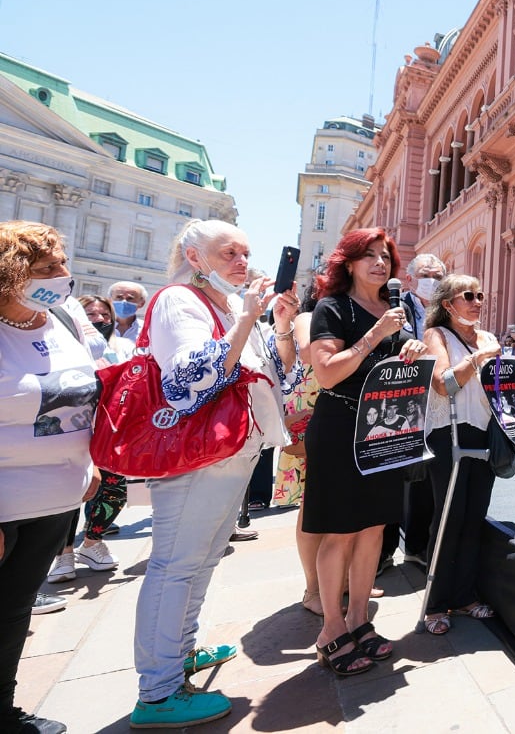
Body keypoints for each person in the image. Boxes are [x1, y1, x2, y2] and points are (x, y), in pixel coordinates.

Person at [128, 219, 299, 729]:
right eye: (229, 253)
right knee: (176, 564)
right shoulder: (179, 300)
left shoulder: (227, 305)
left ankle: (178, 654)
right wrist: (246, 318)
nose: (242, 263)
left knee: (199, 561)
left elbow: (277, 373)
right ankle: (157, 693)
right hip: (197, 455)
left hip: (232, 451)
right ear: (194, 256)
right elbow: (187, 378)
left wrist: (279, 322)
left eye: (246, 254)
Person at [304, 228, 431, 676]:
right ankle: (331, 627)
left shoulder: (397, 312)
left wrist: (410, 351)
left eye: (385, 257)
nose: (380, 263)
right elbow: (327, 374)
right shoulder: (332, 308)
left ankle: (360, 619)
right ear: (349, 263)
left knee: (374, 528)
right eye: (369, 256)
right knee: (340, 530)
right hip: (340, 425)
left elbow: (391, 370)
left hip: (385, 429)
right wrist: (377, 334)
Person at [0, 221, 101, 734]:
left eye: (60, 264)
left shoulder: (62, 318)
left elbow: (83, 399)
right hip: (4, 503)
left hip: (56, 500)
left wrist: (89, 462)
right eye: (46, 269)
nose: (62, 275)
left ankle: (3, 712)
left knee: (14, 611)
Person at [418, 273, 503, 635]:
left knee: (474, 517)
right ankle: (436, 604)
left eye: (480, 294)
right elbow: (443, 384)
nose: (477, 301)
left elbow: (502, 388)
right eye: (468, 295)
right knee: (449, 517)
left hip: (483, 430)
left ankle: (465, 596)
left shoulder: (488, 338)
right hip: (448, 432)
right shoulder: (436, 336)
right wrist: (479, 358)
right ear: (448, 304)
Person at [44, 296, 133, 584]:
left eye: (104, 313)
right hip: (70, 430)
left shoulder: (122, 347)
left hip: (109, 430)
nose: (98, 318)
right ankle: (64, 553)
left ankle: (93, 542)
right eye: (89, 313)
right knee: (69, 494)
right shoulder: (59, 349)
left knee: (114, 490)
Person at [400, 253, 446, 341]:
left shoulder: (449, 307)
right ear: (409, 279)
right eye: (425, 276)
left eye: (437, 277)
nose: (432, 281)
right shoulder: (397, 305)